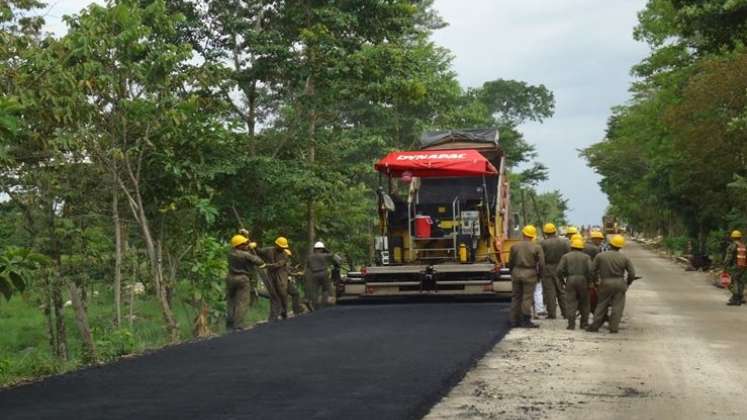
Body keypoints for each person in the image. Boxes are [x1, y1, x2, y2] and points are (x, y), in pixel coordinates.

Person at [587, 235, 636, 333]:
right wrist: (628, 283)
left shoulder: (600, 256)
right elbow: (632, 273)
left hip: (605, 283)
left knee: (601, 305)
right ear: (620, 246)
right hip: (619, 283)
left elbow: (592, 271)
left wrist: (595, 281)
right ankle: (613, 328)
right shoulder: (624, 258)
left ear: (610, 244)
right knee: (617, 306)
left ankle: (595, 326)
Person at [226, 234, 267, 330]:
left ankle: (229, 324)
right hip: (242, 279)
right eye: (244, 244)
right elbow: (260, 262)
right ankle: (238, 324)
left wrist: (247, 244)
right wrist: (252, 250)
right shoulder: (245, 255)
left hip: (230, 278)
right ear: (239, 245)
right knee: (242, 302)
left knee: (231, 301)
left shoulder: (230, 253)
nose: (246, 245)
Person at [508, 225, 545, 328]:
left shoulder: (514, 246)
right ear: (533, 236)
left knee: (516, 297)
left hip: (516, 272)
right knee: (527, 297)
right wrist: (539, 275)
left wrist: (512, 272)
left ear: (523, 234)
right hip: (530, 273)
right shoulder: (536, 247)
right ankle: (525, 320)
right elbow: (541, 264)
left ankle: (513, 320)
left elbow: (510, 261)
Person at [557, 236, 593, 330]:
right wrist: (590, 282)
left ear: (571, 247)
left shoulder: (565, 256)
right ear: (582, 247)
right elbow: (590, 271)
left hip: (570, 280)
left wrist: (562, 280)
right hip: (583, 280)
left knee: (571, 302)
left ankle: (571, 324)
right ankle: (584, 324)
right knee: (585, 303)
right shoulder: (586, 257)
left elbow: (559, 270)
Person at [259, 237, 295, 320]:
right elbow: (259, 252)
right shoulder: (269, 250)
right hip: (271, 276)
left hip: (281, 277)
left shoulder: (285, 255)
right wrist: (254, 246)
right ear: (277, 245)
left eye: (284, 247)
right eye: (281, 246)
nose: (283, 248)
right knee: (273, 296)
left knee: (283, 294)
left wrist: (266, 265)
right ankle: (273, 316)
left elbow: (278, 265)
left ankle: (284, 312)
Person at [539, 223, 570, 319]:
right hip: (560, 268)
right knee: (561, 291)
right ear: (555, 231)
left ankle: (552, 314)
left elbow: (540, 259)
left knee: (550, 292)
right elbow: (568, 256)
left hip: (547, 269)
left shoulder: (542, 243)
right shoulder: (564, 242)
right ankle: (566, 313)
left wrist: (540, 271)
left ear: (545, 232)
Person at [304, 241, 341, 311]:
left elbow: (308, 267)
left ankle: (316, 307)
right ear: (322, 249)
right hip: (324, 273)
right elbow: (335, 256)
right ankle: (327, 304)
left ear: (314, 249)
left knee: (315, 291)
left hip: (314, 274)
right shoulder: (325, 255)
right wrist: (327, 250)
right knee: (328, 289)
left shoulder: (310, 257)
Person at [725, 230, 747, 306]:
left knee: (734, 281)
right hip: (743, 266)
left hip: (736, 266)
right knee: (740, 281)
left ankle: (736, 299)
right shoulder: (743, 245)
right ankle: (740, 298)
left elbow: (729, 258)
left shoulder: (732, 246)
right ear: (740, 237)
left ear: (732, 237)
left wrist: (725, 266)